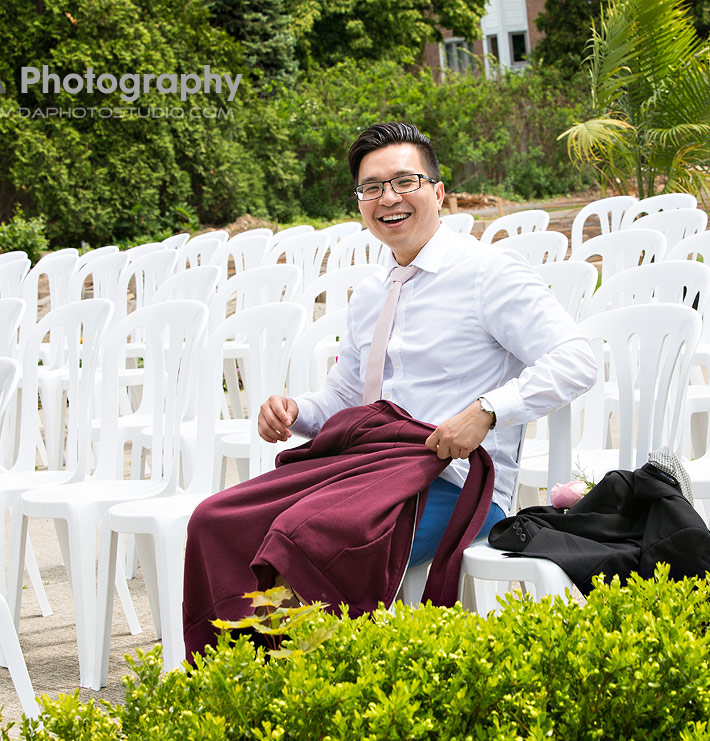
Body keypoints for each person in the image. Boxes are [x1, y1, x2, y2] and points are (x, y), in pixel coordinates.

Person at [183, 123, 594, 648]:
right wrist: (295, 411)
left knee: (307, 538)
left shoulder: (488, 273)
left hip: (454, 480)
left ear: (438, 191)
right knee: (217, 519)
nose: (389, 198)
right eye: (371, 187)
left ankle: (312, 683)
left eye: (405, 181)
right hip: (368, 468)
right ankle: (232, 679)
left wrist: (488, 410)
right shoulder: (372, 294)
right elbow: (347, 398)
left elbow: (577, 358)